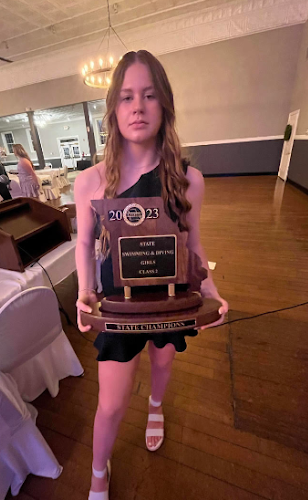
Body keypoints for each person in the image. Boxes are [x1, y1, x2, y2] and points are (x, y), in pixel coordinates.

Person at [74, 50, 228, 500]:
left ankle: (156, 406)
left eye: (148, 95)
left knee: (163, 361)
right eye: (126, 97)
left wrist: (213, 291)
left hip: (171, 296)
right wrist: (85, 291)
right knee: (111, 402)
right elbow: (83, 244)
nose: (137, 106)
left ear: (165, 106)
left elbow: (195, 244)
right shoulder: (91, 181)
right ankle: (98, 472)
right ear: (114, 110)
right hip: (119, 304)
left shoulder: (188, 178)